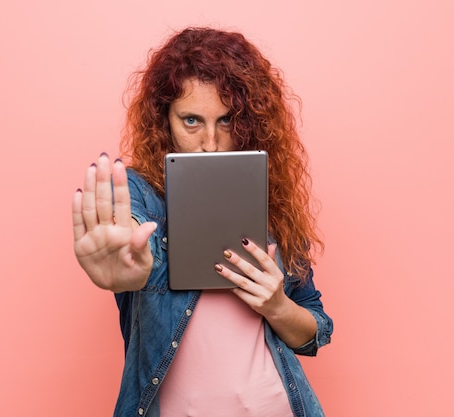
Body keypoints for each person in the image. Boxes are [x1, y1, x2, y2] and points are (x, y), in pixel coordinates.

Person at [72, 27, 333, 417]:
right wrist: (127, 260)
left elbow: (316, 330)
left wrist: (277, 306)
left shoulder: (271, 205)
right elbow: (132, 228)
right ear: (165, 121)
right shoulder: (142, 193)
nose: (210, 142)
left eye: (226, 121)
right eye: (191, 120)